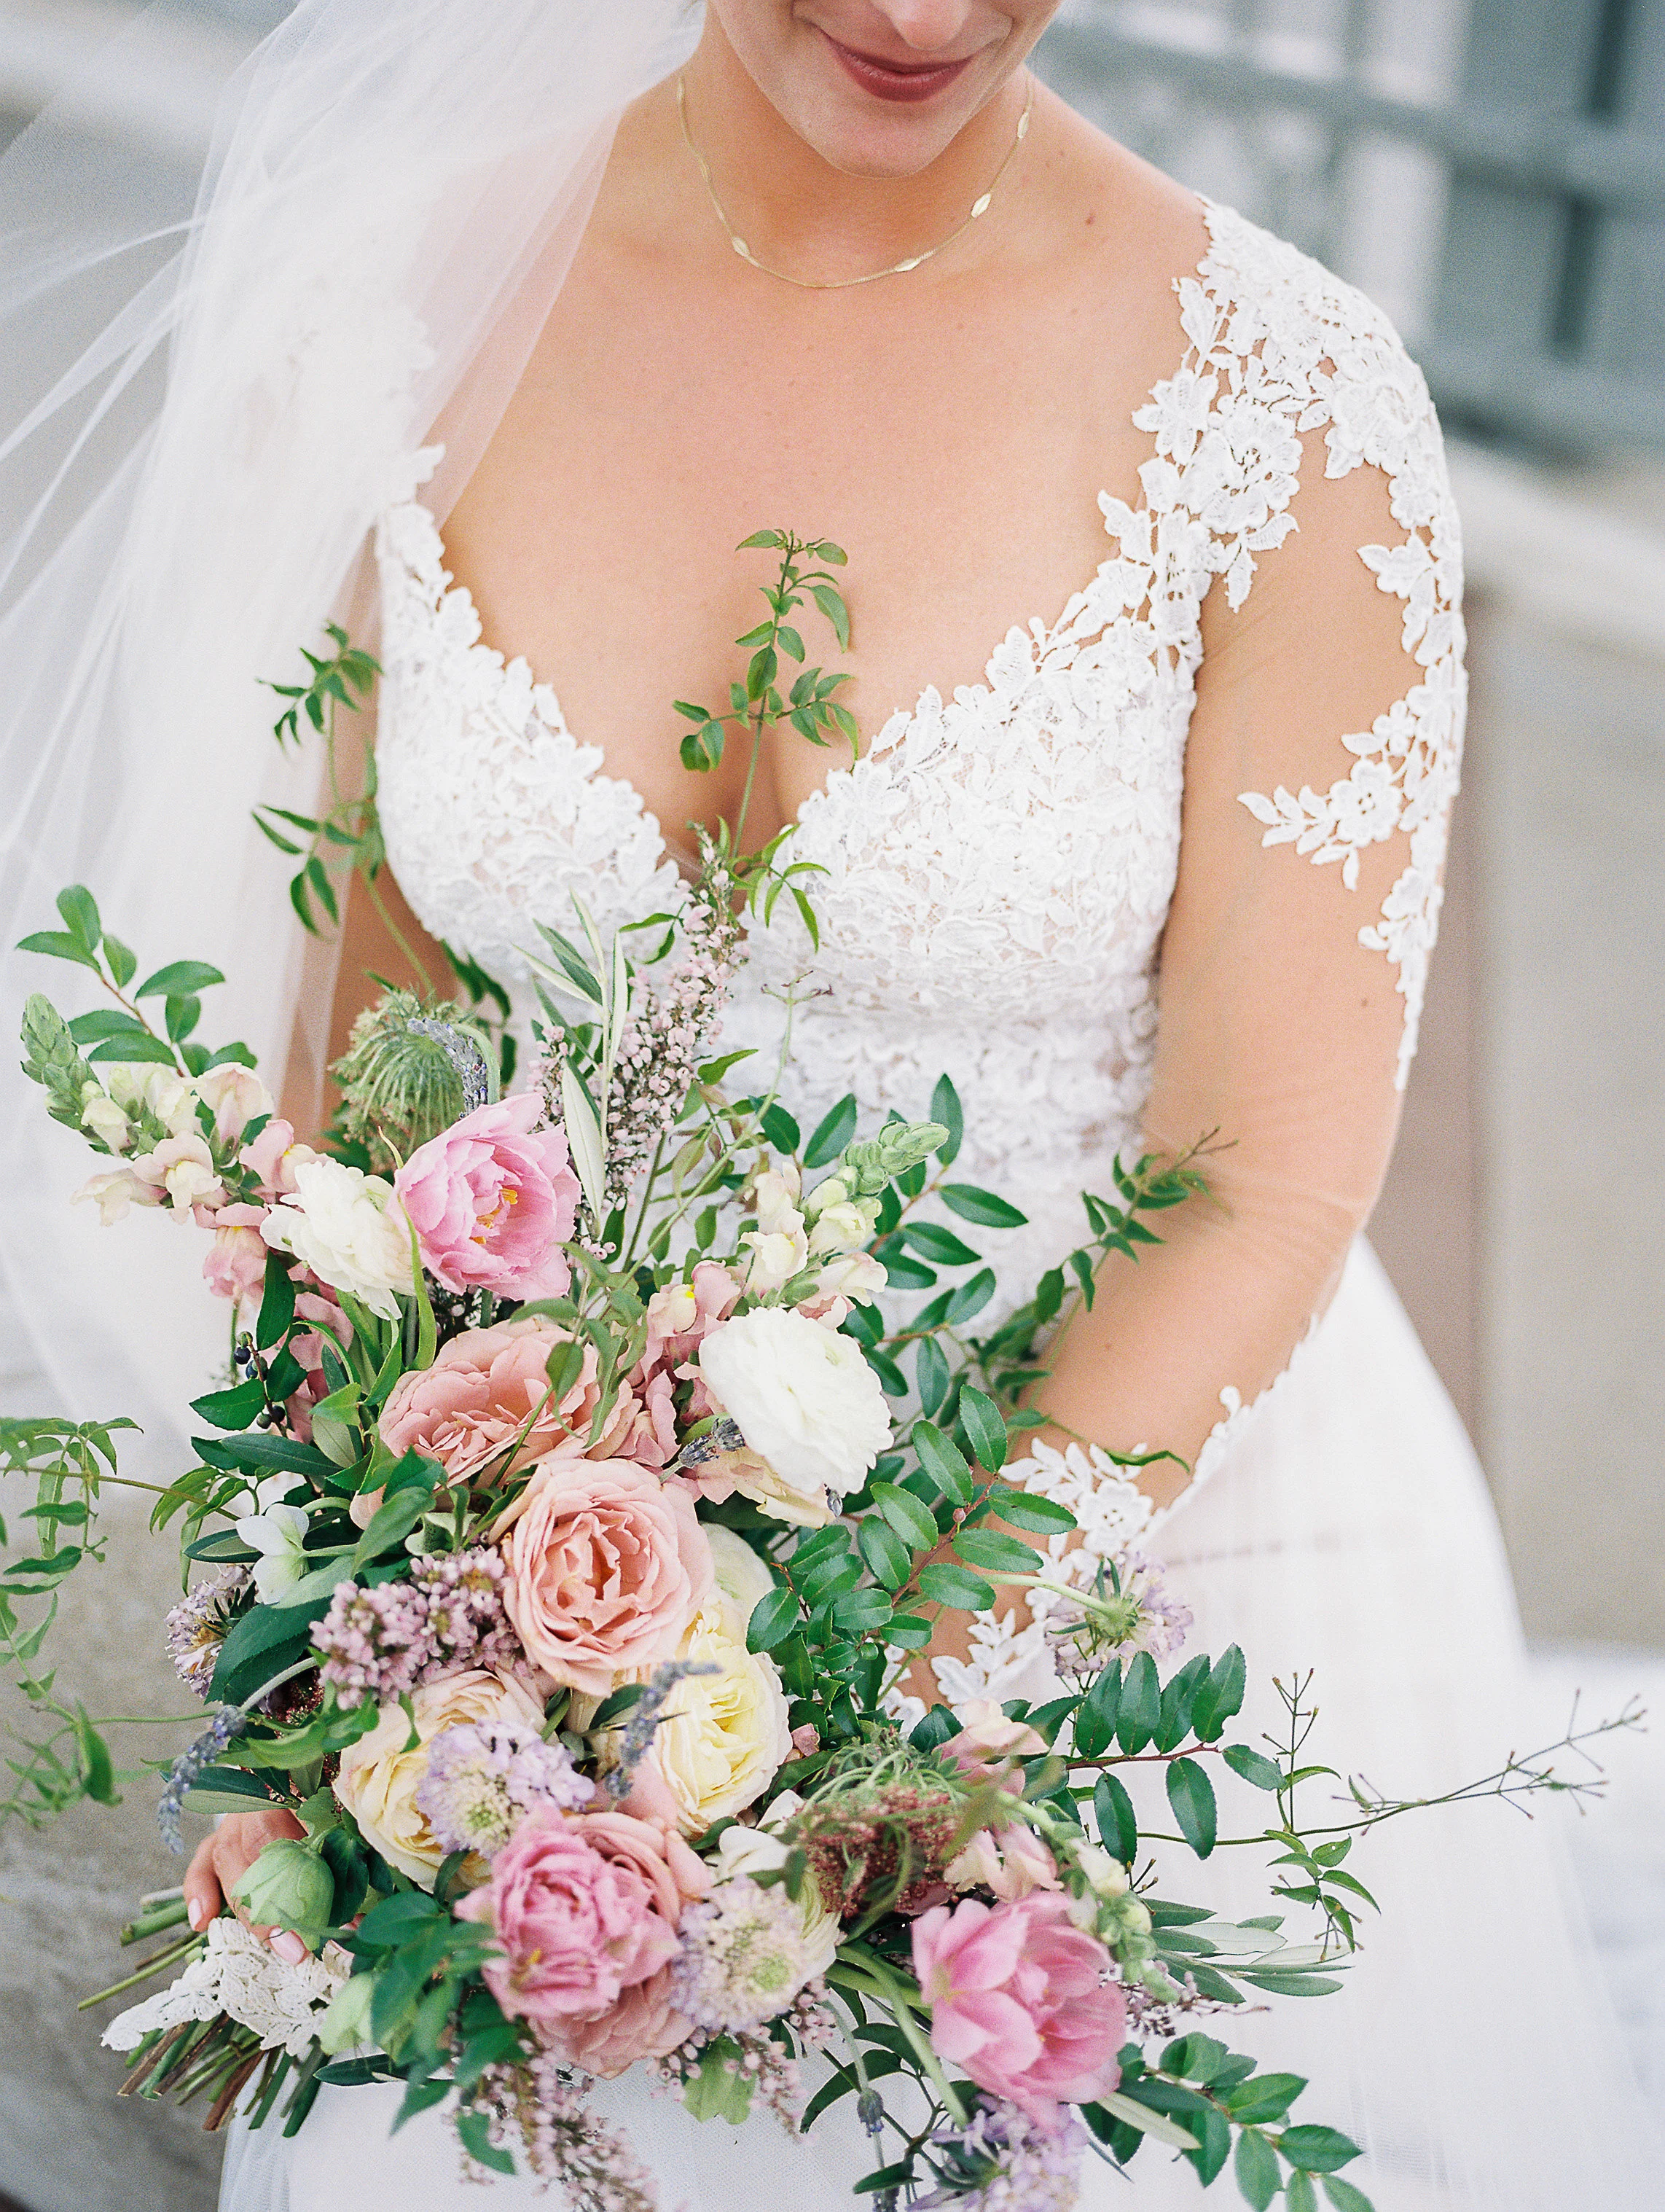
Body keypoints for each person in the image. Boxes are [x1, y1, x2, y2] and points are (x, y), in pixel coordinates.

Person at [0, 4, 1655, 2208]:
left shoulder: (1291, 412)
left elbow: (1255, 1174)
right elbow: (370, 1037)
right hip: (555, 1560)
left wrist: (883, 1694)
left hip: (1139, 1515)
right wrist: (400, 1594)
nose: (918, 14)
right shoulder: (401, 303)